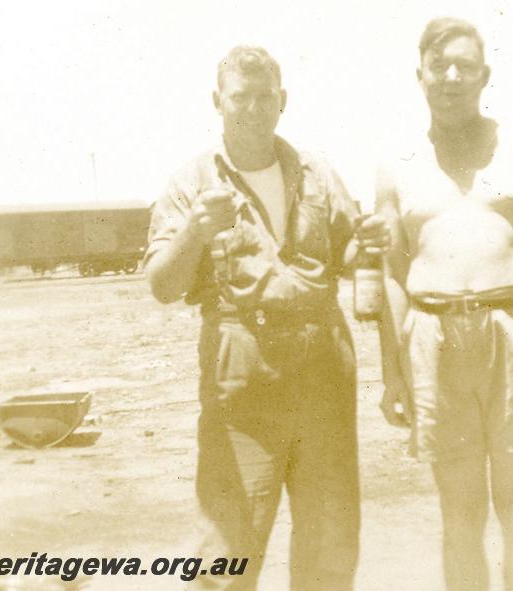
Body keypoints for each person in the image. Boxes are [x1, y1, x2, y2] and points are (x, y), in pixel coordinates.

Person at [144, 46, 389, 590]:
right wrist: (195, 233)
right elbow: (162, 284)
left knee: (329, 548)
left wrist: (365, 244)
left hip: (324, 374)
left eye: (265, 97)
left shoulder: (317, 172)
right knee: (226, 553)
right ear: (217, 102)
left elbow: (348, 255)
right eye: (240, 97)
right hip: (243, 383)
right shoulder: (192, 181)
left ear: (283, 102)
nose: (253, 109)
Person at [375, 17, 513, 591]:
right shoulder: (396, 165)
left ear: (484, 74)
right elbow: (391, 274)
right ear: (419, 77)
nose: (451, 76)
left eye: (465, 65)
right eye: (439, 66)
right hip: (435, 341)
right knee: (459, 514)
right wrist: (393, 373)